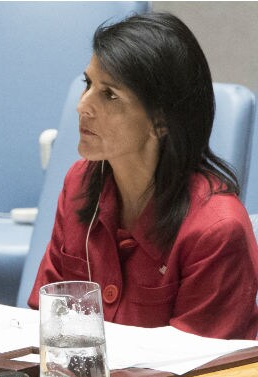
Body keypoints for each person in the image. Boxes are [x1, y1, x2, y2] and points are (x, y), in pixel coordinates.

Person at [28, 12, 258, 340]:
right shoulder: (79, 183)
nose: (82, 106)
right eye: (88, 84)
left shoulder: (217, 230)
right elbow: (47, 323)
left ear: (161, 121)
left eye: (109, 94)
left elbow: (198, 365)